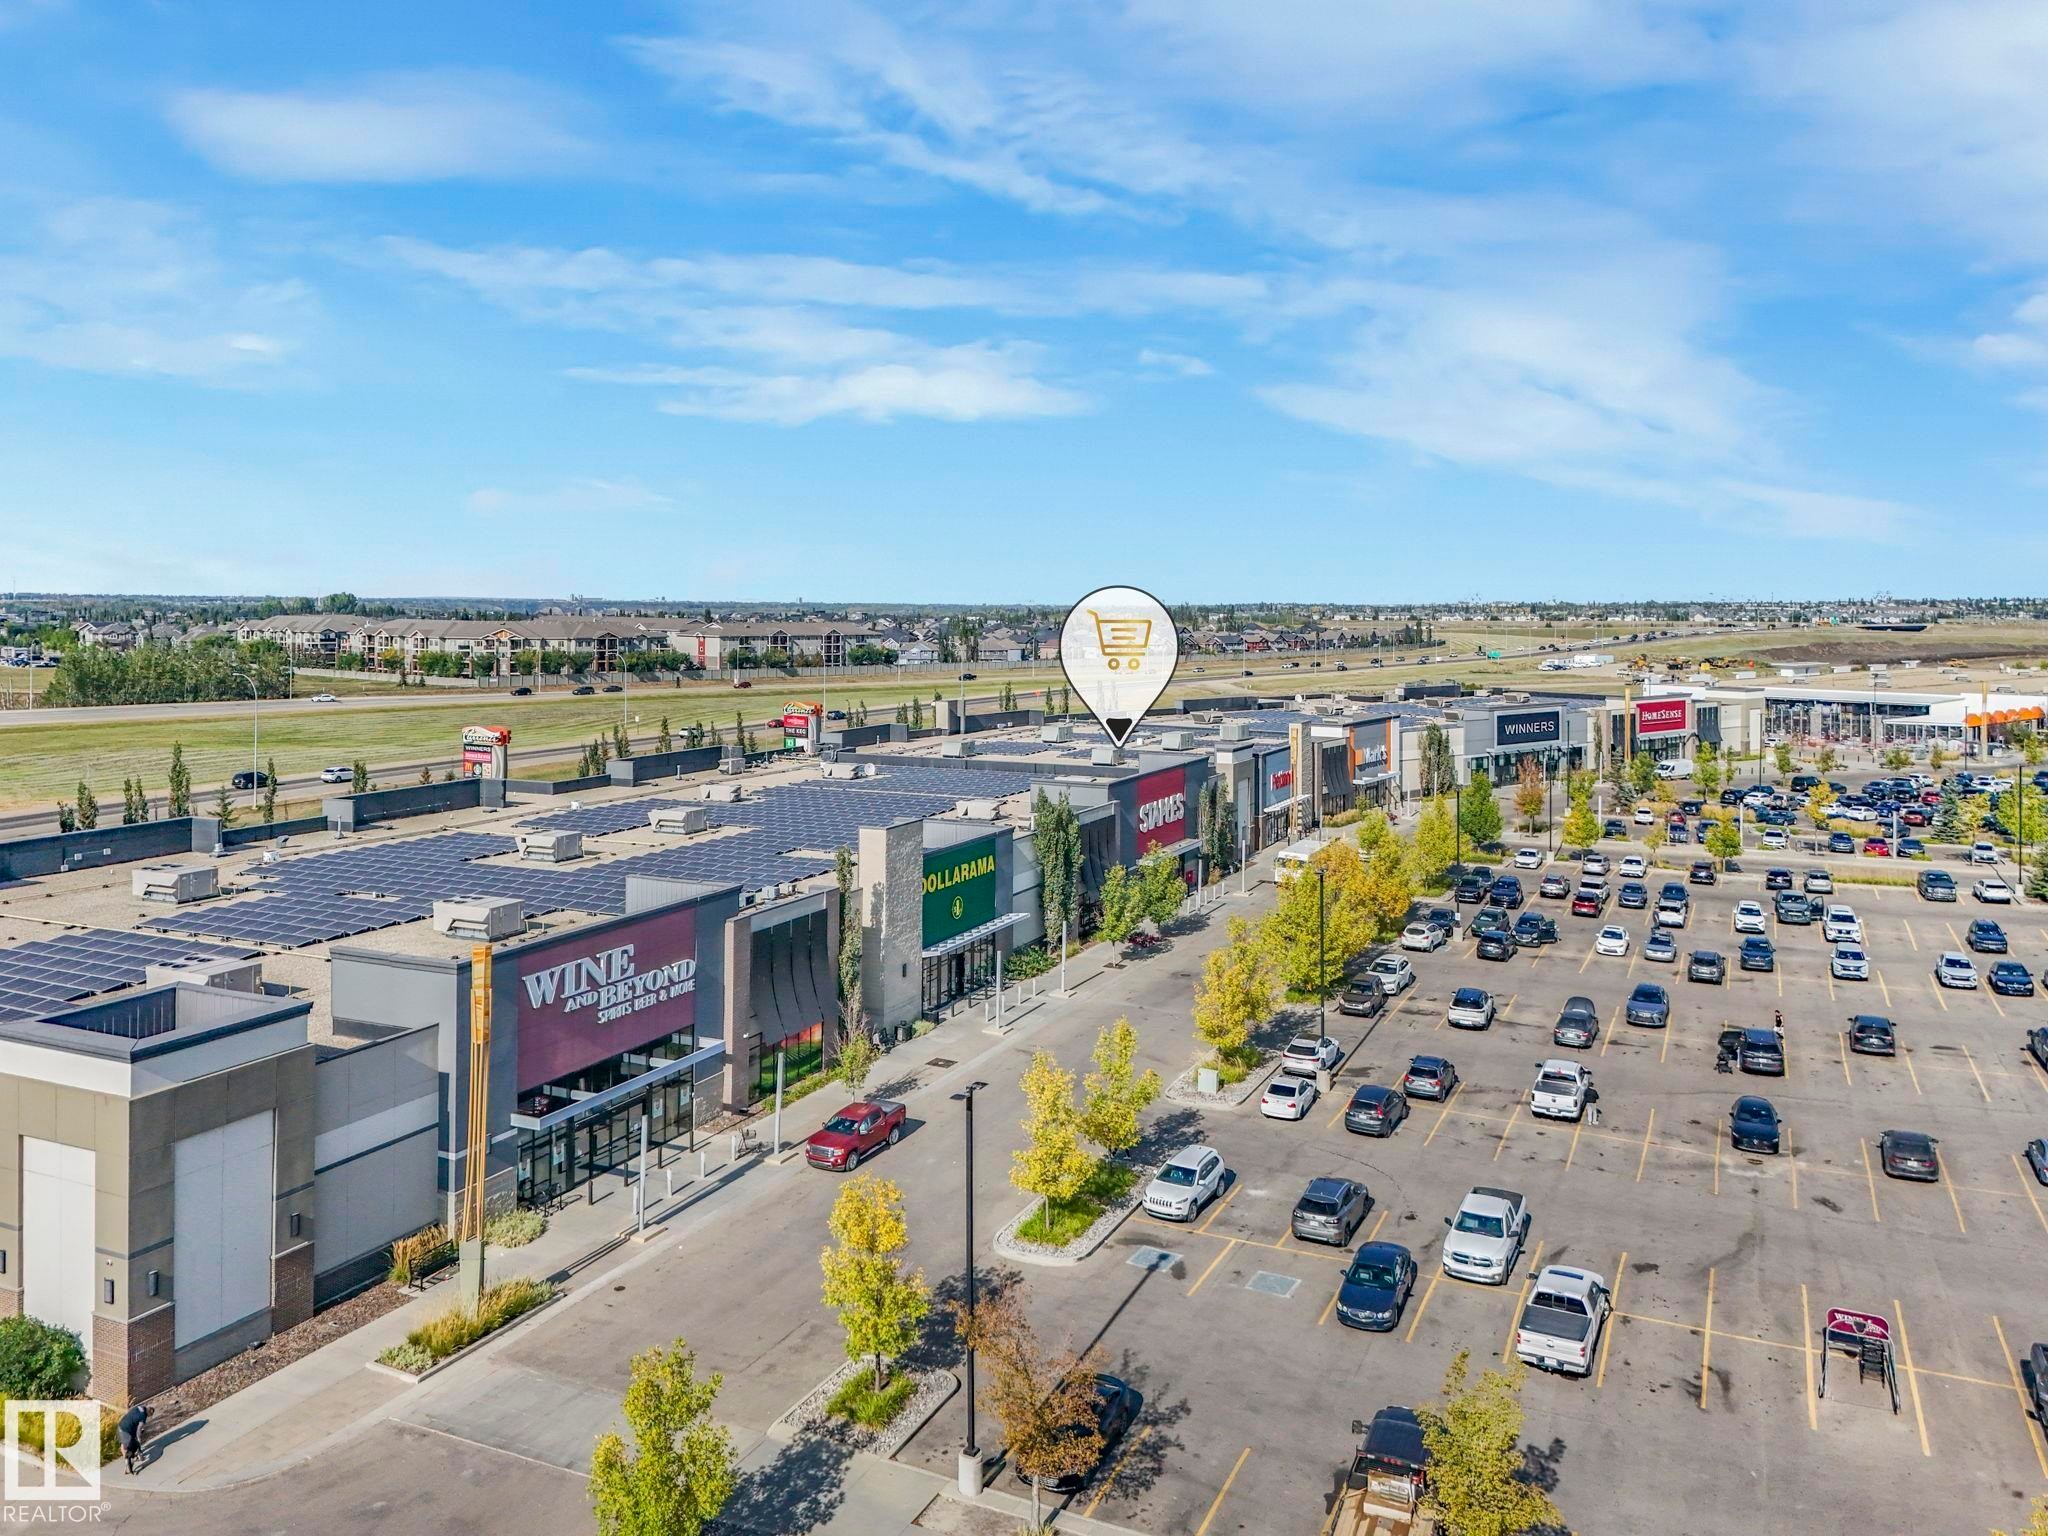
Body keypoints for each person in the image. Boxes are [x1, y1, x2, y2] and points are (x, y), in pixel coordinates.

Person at [117, 1403, 149, 1474]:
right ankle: (129, 1461)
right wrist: (139, 1436)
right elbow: (139, 1431)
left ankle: (128, 1461)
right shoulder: (143, 1416)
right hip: (125, 1429)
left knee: (125, 1444)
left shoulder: (140, 1407)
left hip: (123, 1425)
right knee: (127, 1446)